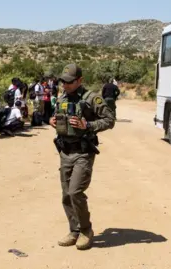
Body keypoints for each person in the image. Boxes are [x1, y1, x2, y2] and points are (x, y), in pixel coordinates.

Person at [49, 63, 115, 250]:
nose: (65, 85)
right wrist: (52, 121)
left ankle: (86, 230)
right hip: (65, 151)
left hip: (83, 152)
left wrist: (88, 125)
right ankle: (74, 230)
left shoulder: (92, 99)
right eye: (63, 82)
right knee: (66, 195)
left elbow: (109, 121)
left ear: (80, 80)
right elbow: (56, 117)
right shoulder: (62, 97)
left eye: (70, 82)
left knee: (75, 192)